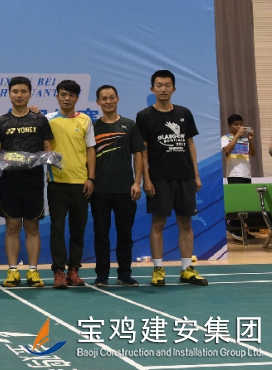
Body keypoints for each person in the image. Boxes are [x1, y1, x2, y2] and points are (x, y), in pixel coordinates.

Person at [136, 69, 207, 286]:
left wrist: (196, 174)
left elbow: (190, 144)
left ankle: (187, 269)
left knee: (185, 222)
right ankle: (158, 269)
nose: (163, 89)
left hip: (185, 177)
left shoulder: (184, 113)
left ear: (174, 89)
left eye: (167, 85)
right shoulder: (144, 116)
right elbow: (142, 150)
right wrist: (146, 179)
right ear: (152, 89)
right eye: (159, 85)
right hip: (159, 178)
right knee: (158, 222)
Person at [0, 76, 53, 289]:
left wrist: (37, 160)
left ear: (30, 94)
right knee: (12, 227)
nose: (19, 95)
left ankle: (33, 271)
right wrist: (6, 160)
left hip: (34, 182)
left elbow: (48, 150)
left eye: (23, 91)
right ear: (9, 94)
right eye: (15, 91)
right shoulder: (0, 122)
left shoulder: (39, 120)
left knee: (33, 227)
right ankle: (12, 270)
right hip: (9, 183)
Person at [91, 85, 144, 287]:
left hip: (125, 189)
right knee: (101, 235)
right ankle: (102, 275)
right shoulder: (93, 127)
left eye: (111, 97)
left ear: (118, 99)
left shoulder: (129, 125)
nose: (108, 101)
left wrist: (137, 182)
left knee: (125, 235)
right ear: (98, 102)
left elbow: (138, 154)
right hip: (99, 190)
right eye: (104, 98)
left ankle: (124, 274)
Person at [46, 79, 95, 289]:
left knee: (78, 229)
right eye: (63, 94)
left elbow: (91, 149)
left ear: (77, 98)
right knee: (57, 228)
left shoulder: (85, 120)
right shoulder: (47, 119)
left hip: (80, 184)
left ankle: (74, 269)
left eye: (71, 95)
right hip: (56, 183)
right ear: (57, 96)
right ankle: (59, 271)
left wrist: (91, 178)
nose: (67, 99)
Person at [221, 113, 257, 241]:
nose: (239, 127)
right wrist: (236, 136)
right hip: (234, 175)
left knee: (245, 204)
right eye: (236, 125)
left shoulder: (244, 139)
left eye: (241, 124)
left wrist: (250, 139)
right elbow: (227, 150)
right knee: (236, 204)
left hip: (246, 174)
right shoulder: (225, 138)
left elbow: (253, 153)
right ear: (230, 125)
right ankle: (236, 231)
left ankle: (244, 231)